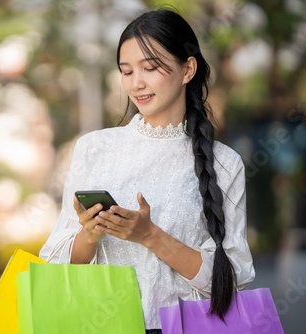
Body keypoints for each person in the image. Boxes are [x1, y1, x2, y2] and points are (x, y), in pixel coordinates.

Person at [39, 8, 255, 333]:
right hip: (105, 326)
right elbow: (57, 268)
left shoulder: (225, 164)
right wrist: (91, 234)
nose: (136, 83)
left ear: (188, 69)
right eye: (126, 72)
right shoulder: (94, 148)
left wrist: (150, 236)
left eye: (150, 68)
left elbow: (230, 280)